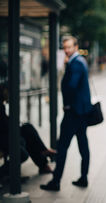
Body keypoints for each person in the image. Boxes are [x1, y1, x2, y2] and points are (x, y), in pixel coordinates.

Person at [41, 36, 92, 191]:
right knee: (83, 145)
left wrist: (67, 105)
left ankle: (56, 181)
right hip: (81, 112)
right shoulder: (79, 61)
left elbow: (71, 86)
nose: (67, 50)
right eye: (65, 47)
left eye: (69, 47)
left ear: (76, 47)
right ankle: (83, 178)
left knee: (62, 147)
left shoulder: (75, 63)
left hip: (74, 113)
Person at [0, 87, 55, 176]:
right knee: (23, 150)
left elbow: (4, 122)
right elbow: (3, 124)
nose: (9, 95)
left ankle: (43, 154)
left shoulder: (1, 105)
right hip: (4, 135)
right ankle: (42, 156)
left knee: (27, 128)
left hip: (6, 133)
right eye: (6, 92)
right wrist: (13, 123)